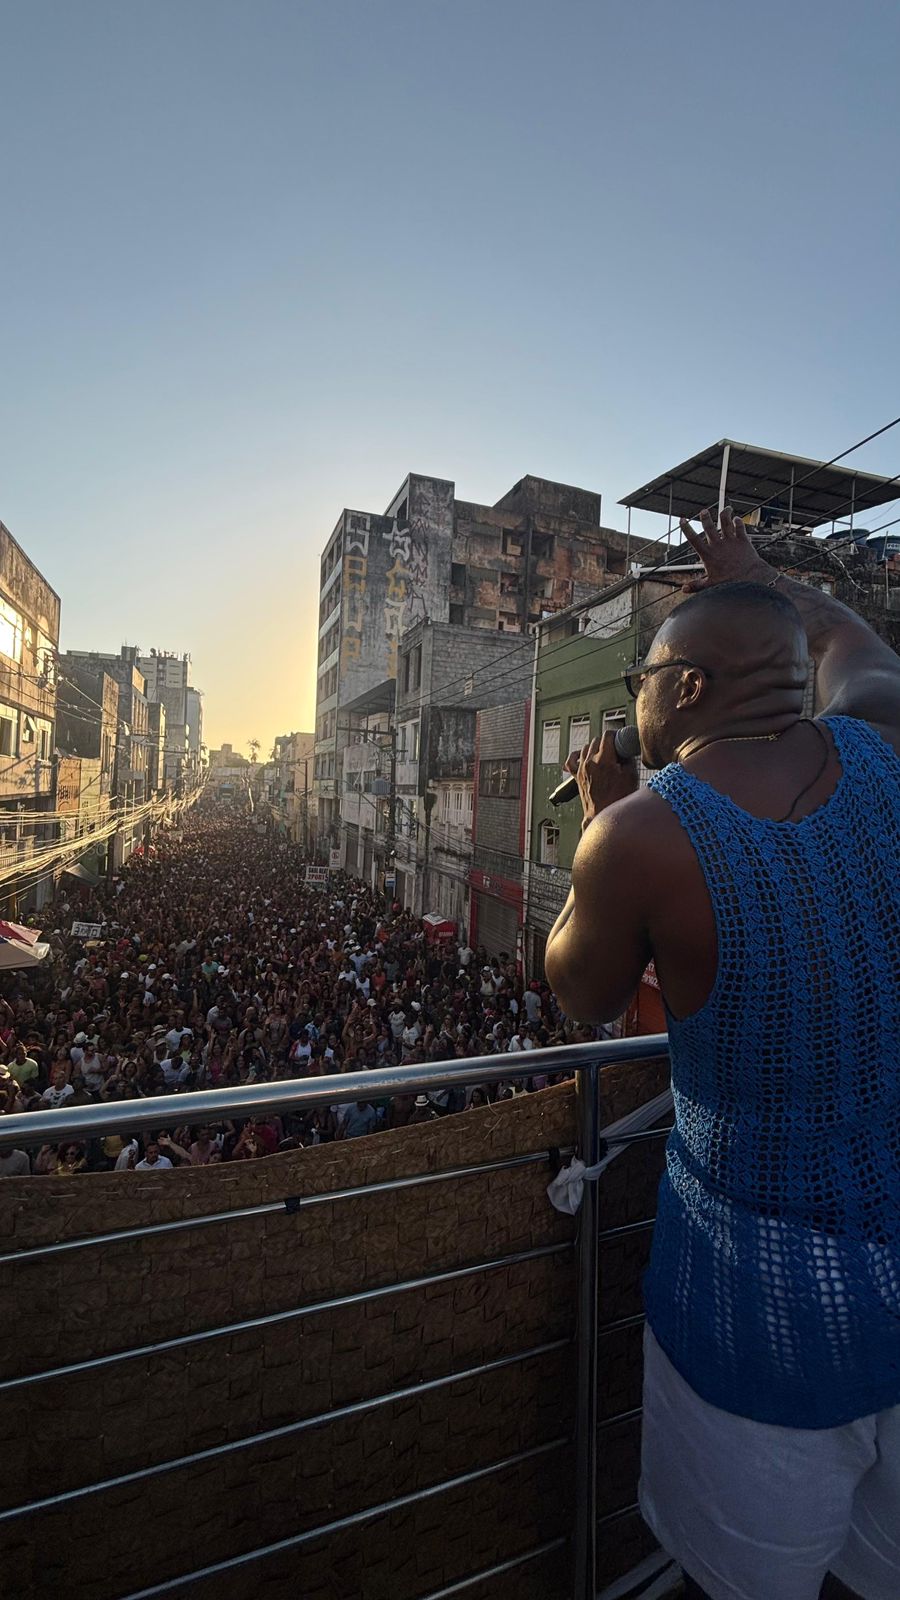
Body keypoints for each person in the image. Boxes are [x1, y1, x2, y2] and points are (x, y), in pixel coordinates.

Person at [545, 506, 900, 1600]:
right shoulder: (884, 736)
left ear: (688, 689)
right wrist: (758, 575)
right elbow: (853, 642)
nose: (635, 704)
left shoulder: (646, 831)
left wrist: (601, 822)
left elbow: (583, 991)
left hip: (758, 1311)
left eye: (644, 680)